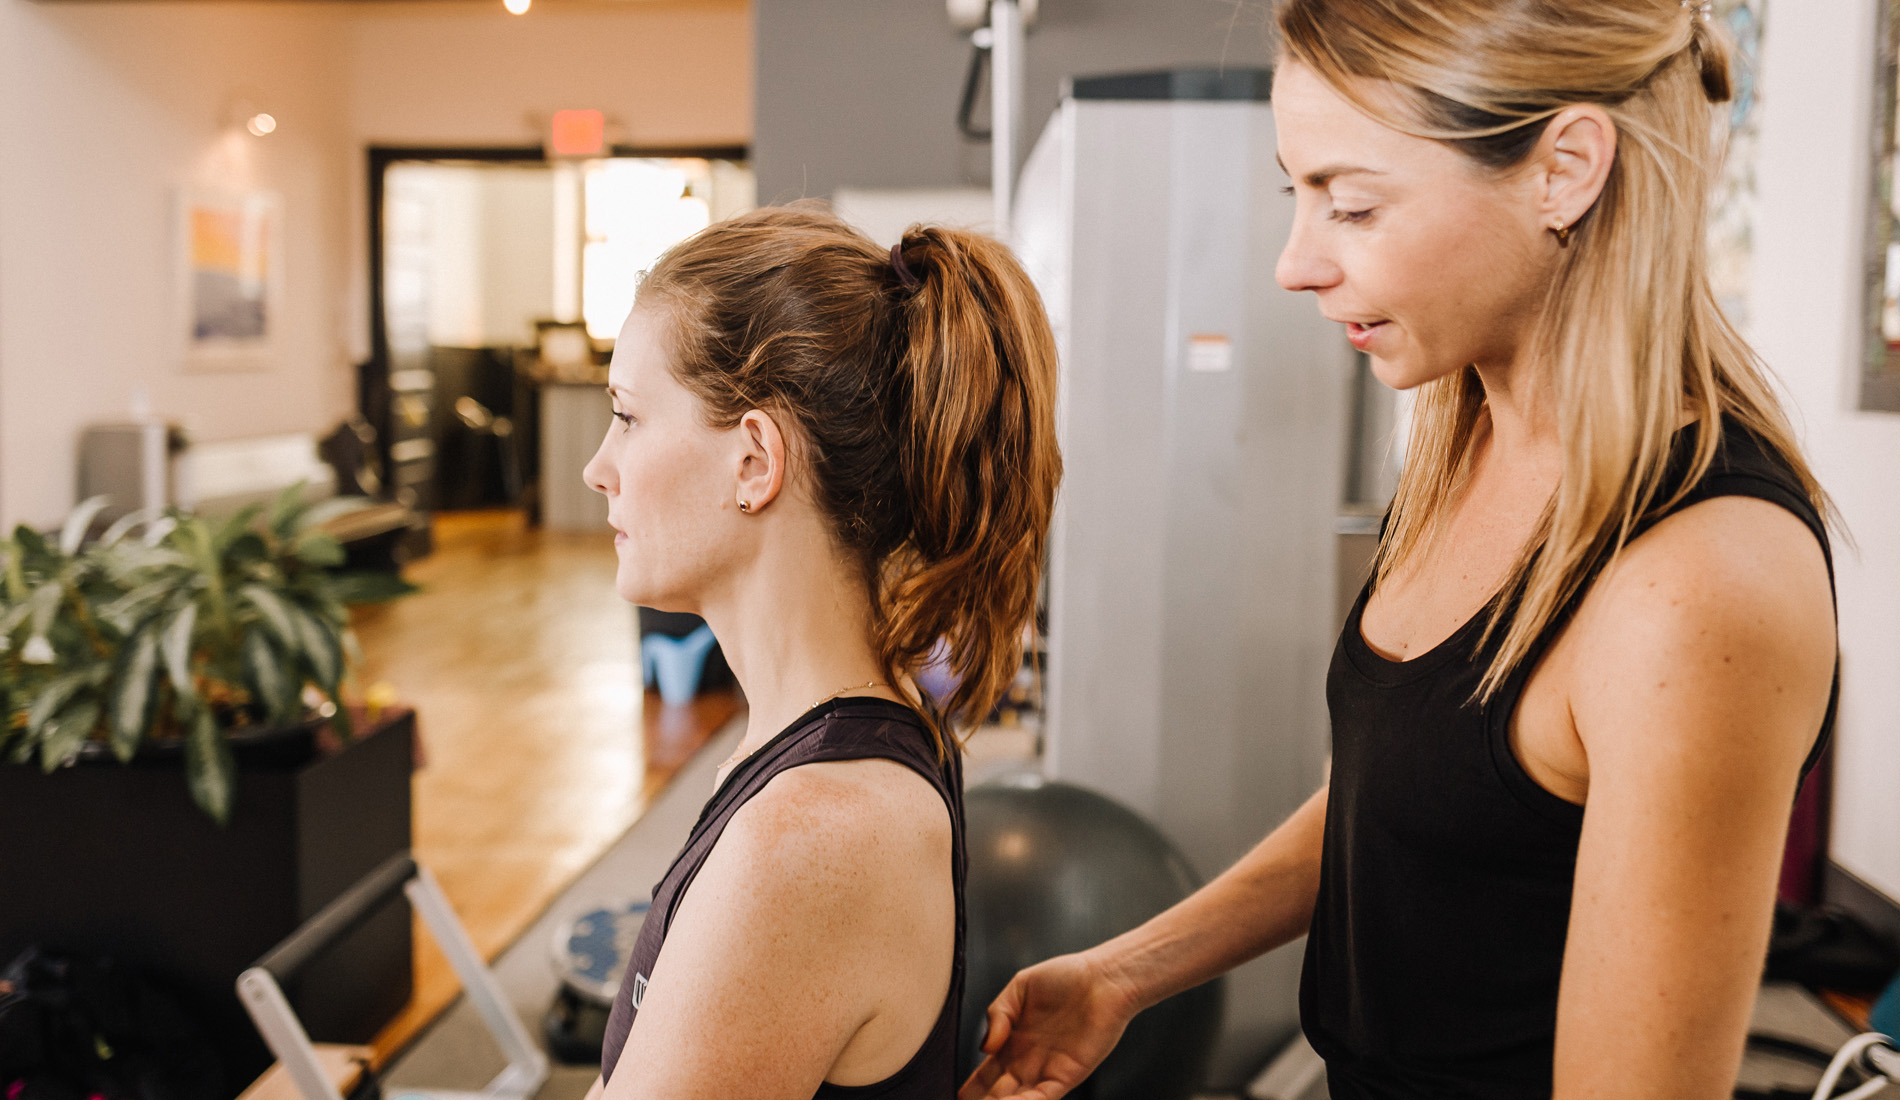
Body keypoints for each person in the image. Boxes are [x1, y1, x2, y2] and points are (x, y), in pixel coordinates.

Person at [961, 2, 1837, 1098]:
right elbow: (1399, 796)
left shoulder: (1692, 584)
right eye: (1299, 194)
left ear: (1563, 169)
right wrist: (1125, 973)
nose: (1295, 263)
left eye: (1354, 203)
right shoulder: (1464, 440)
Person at [581, 206, 1061, 1100]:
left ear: (754, 461)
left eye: (628, 417)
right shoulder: (818, 736)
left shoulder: (809, 838)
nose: (597, 468)